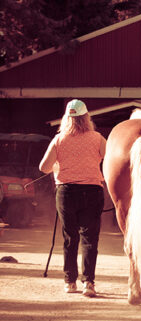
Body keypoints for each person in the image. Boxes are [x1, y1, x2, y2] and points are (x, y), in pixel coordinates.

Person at [39, 99, 106, 297]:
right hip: (93, 190)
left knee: (70, 237)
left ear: (67, 118)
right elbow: (109, 158)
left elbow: (44, 167)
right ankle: (89, 283)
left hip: (67, 192)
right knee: (90, 238)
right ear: (86, 117)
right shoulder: (98, 138)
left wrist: (58, 166)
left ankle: (70, 282)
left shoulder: (59, 139)